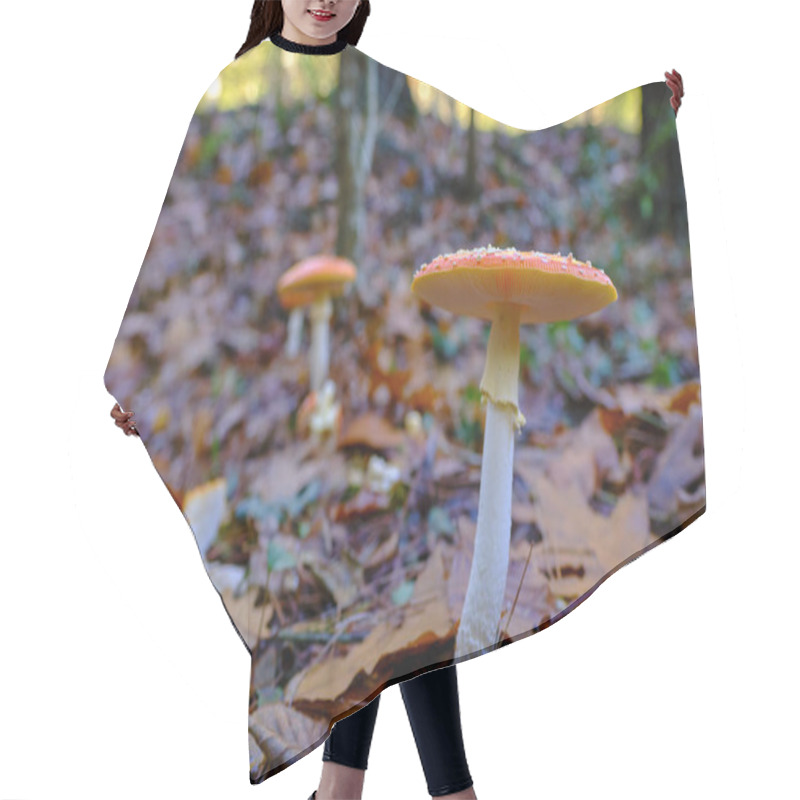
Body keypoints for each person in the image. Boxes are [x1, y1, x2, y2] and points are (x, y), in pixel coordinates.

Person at [239, 5, 478, 799]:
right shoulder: (241, 88)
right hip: (283, 388)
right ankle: (431, 792)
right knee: (379, 563)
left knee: (398, 559)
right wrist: (137, 385)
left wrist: (654, 119)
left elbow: (470, 171)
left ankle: (344, 789)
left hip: (371, 369)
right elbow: (200, 238)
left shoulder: (382, 86)